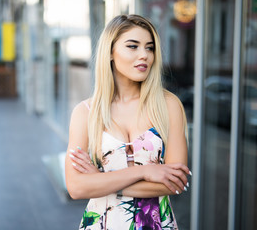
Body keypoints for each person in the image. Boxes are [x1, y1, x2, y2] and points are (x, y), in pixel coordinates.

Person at [65, 14, 191, 229]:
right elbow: (76, 188)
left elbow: (175, 183)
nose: (144, 55)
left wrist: (102, 181)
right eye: (133, 46)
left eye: (149, 48)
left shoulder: (168, 105)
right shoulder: (85, 112)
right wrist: (143, 172)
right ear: (111, 52)